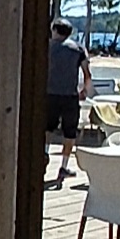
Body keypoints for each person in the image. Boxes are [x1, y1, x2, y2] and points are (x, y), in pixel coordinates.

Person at [46, 20, 88, 181]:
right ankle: (63, 166)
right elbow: (87, 74)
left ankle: (44, 155)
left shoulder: (47, 47)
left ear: (55, 30)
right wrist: (84, 90)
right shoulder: (78, 49)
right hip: (70, 96)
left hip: (49, 95)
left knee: (47, 129)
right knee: (69, 133)